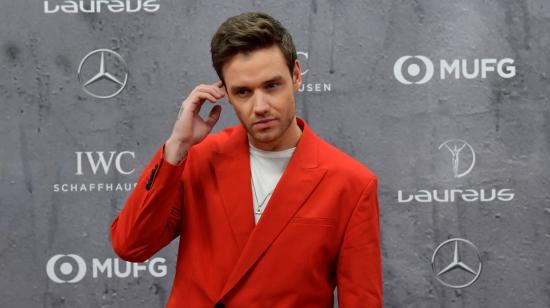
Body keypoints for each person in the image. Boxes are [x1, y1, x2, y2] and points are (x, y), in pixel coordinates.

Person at [110, 11, 382, 307]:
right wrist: (176, 148)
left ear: (296, 76)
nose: (260, 106)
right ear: (225, 93)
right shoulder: (198, 160)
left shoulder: (351, 183)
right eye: (243, 92)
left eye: (272, 85)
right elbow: (130, 245)